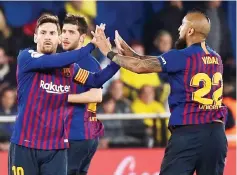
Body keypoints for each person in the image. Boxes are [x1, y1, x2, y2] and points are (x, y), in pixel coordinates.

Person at [92, 10, 228, 175]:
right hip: (217, 135)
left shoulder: (181, 56)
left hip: (189, 133)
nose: (179, 29)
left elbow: (140, 67)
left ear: (190, 30)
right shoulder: (216, 58)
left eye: (183, 25)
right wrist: (132, 54)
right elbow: (151, 62)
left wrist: (109, 52)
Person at [8, 13, 116, 175]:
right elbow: (50, 62)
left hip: (56, 149)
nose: (47, 37)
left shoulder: (69, 69)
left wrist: (117, 61)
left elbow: (95, 80)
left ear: (59, 39)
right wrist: (91, 45)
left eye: (52, 33)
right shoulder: (27, 58)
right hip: (25, 145)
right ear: (35, 37)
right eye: (43, 33)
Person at [61, 14, 120, 175]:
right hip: (82, 134)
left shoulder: (86, 62)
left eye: (71, 32)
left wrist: (61, 97)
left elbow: (96, 95)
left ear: (82, 38)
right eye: (64, 31)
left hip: (76, 133)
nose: (65, 36)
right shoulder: (68, 62)